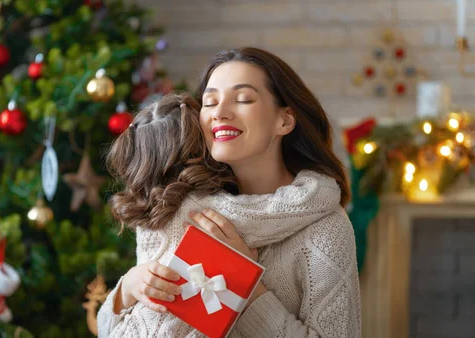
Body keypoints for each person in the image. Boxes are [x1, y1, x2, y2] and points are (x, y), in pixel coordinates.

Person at [97, 48, 360, 337]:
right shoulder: (177, 205)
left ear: (284, 120)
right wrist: (129, 288)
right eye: (210, 103)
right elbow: (108, 327)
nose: (220, 113)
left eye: (243, 99)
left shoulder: (326, 229)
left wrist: (241, 284)